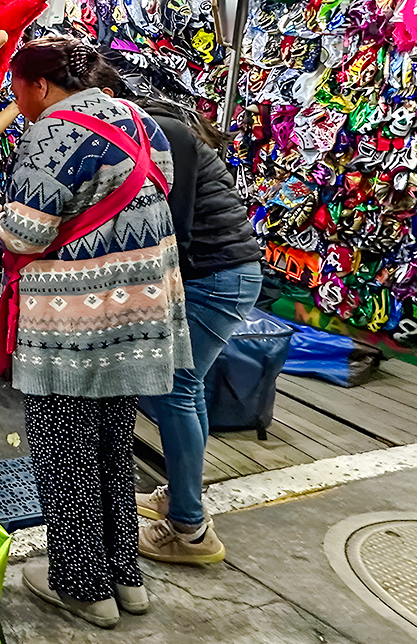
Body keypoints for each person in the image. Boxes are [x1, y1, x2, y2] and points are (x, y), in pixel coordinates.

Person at [0, 37, 191, 629]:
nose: (16, 101)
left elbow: (25, 231)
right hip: (140, 307)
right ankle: (126, 579)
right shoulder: (139, 118)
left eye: (17, 89)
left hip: (76, 321)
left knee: (65, 453)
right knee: (110, 450)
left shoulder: (53, 131)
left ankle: (83, 587)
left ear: (41, 86)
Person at [90, 62, 264, 566]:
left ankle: (190, 529)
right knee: (185, 390)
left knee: (171, 391)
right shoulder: (150, 125)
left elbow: (176, 223)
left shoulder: (161, 129)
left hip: (213, 275)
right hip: (216, 272)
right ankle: (179, 498)